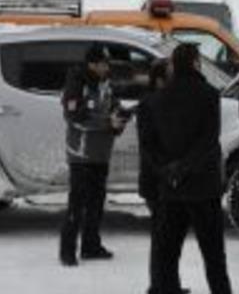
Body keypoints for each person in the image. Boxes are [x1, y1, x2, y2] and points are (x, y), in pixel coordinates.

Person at [144, 44, 232, 294]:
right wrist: (184, 167)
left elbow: (149, 146)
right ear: (195, 63)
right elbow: (208, 140)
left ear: (174, 64)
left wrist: (169, 170)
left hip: (171, 189)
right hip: (204, 188)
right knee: (214, 256)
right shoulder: (209, 94)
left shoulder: (157, 99)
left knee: (167, 256)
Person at [60, 44, 127, 267]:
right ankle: (67, 250)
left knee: (97, 203)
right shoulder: (76, 83)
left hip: (101, 153)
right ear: (92, 63)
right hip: (81, 154)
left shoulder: (105, 83)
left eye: (108, 64)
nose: (107, 67)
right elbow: (74, 116)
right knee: (77, 204)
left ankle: (91, 246)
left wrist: (120, 118)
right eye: (103, 63)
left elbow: (113, 107)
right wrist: (108, 122)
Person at [137, 59, 186, 294]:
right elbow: (150, 147)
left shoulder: (169, 102)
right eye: (172, 76)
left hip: (170, 180)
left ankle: (170, 285)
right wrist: (167, 170)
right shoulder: (148, 105)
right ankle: (158, 287)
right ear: (159, 80)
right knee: (161, 239)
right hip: (156, 182)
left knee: (171, 238)